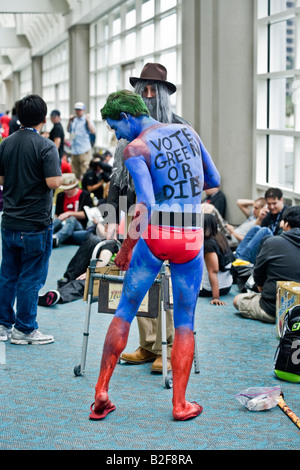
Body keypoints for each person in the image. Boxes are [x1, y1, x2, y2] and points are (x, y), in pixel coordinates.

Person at [89, 89, 220, 422]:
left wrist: (126, 248)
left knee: (125, 310)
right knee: (185, 322)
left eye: (115, 126)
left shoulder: (136, 148)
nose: (116, 135)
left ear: (129, 117)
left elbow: (144, 204)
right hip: (190, 236)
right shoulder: (189, 132)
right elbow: (213, 180)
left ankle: (101, 392)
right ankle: (180, 405)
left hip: (156, 233)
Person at [120, 62, 191, 372]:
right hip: (138, 213)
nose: (145, 94)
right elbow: (121, 181)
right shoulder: (129, 131)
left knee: (171, 285)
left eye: (148, 89)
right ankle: (150, 345)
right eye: (142, 89)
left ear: (154, 92)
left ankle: (170, 347)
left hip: (172, 217)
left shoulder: (179, 127)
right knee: (139, 280)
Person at [0, 94, 62, 345]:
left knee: (8, 274)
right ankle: (24, 329)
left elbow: (2, 181)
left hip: (10, 220)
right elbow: (53, 182)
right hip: (35, 223)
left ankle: (3, 325)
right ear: (44, 119)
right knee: (31, 277)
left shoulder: (5, 143)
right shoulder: (46, 147)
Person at [233, 206, 300, 323]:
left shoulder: (272, 242)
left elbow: (258, 273)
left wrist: (262, 287)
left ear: (286, 224)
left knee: (237, 299)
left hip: (273, 308)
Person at [38, 232, 119, 307]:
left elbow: (106, 255)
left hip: (111, 271)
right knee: (92, 239)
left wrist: (91, 272)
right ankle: (67, 280)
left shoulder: (120, 238)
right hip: (98, 255)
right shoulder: (113, 224)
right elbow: (100, 225)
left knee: (88, 281)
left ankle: (58, 295)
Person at [235, 188, 288, 264]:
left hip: (276, 246)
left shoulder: (287, 214)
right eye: (269, 204)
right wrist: (260, 218)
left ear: (281, 200)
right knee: (256, 228)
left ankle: (243, 259)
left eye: (274, 203)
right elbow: (255, 233)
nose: (272, 207)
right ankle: (238, 256)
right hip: (264, 245)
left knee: (265, 230)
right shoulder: (268, 213)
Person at [199, 214, 233, 305]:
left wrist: (216, 298)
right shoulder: (220, 236)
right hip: (227, 287)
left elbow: (213, 271)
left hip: (208, 289)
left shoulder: (208, 244)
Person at [53, 172, 93, 247]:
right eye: (64, 189)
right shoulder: (60, 196)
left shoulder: (84, 195)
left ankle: (56, 238)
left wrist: (69, 213)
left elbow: (87, 214)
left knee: (72, 219)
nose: (66, 191)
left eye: (68, 189)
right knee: (56, 220)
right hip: (63, 224)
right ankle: (46, 234)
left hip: (79, 225)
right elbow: (58, 215)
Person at [67, 102, 96, 180]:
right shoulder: (74, 120)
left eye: (79, 110)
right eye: (76, 110)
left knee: (85, 172)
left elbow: (93, 131)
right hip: (74, 150)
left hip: (84, 150)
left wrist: (88, 120)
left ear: (83, 110)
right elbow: (68, 130)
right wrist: (69, 121)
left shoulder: (86, 120)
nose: (78, 111)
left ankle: (85, 190)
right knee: (75, 172)